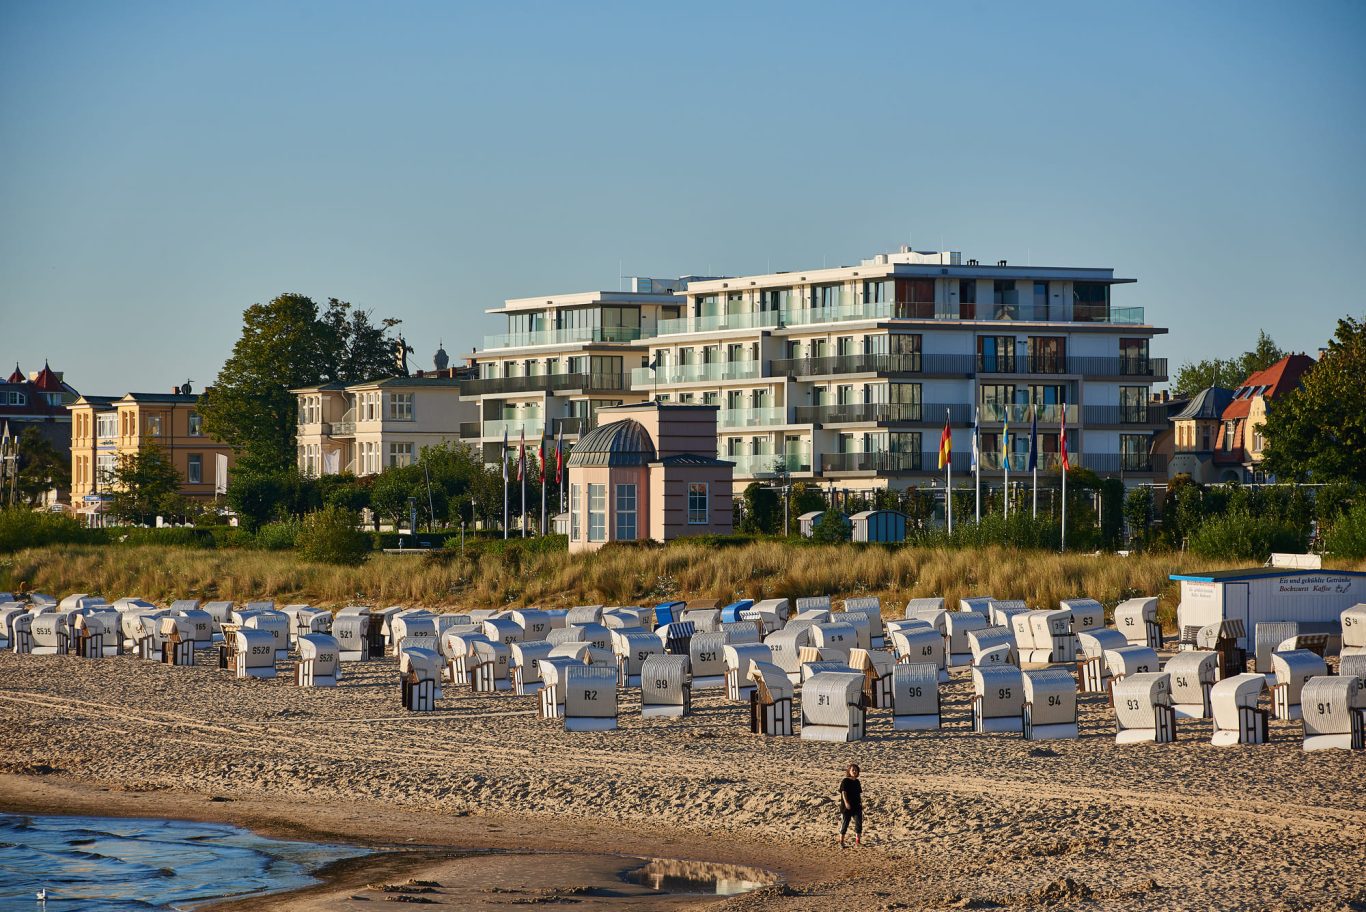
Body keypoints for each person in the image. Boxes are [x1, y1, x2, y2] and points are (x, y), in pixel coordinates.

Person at [838, 763, 862, 848]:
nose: (854, 771)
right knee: (845, 824)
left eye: (856, 770)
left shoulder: (857, 781)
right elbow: (843, 792)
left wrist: (861, 803)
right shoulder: (845, 781)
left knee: (859, 824)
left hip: (857, 806)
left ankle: (857, 842)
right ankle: (841, 842)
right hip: (846, 807)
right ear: (849, 771)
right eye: (853, 770)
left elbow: (858, 794)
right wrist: (846, 803)